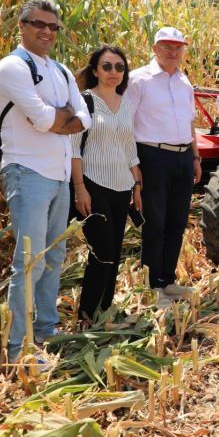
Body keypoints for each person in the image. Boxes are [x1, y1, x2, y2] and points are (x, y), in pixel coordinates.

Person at [0, 0, 91, 360]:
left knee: (54, 257)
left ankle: (47, 331)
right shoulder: (12, 67)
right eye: (38, 24)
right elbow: (43, 120)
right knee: (30, 262)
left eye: (53, 26)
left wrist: (65, 117)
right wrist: (64, 117)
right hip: (27, 171)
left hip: (59, 176)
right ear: (21, 26)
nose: (47, 31)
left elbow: (84, 116)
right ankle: (17, 348)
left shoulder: (61, 71)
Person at [124, 27, 200, 309]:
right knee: (155, 223)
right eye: (167, 46)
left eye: (178, 47)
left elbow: (190, 123)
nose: (173, 52)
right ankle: (152, 285)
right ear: (155, 48)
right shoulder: (138, 80)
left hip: (181, 158)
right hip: (152, 157)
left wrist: (195, 157)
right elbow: (126, 124)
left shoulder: (184, 82)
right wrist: (134, 168)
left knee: (177, 222)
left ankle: (167, 280)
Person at [71, 45, 143, 321]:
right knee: (102, 251)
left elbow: (129, 149)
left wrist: (137, 186)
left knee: (114, 252)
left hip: (122, 186)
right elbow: (74, 148)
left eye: (120, 67)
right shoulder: (85, 102)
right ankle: (87, 314)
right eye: (107, 66)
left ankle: (105, 310)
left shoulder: (126, 105)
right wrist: (79, 188)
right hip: (92, 184)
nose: (114, 72)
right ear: (95, 71)